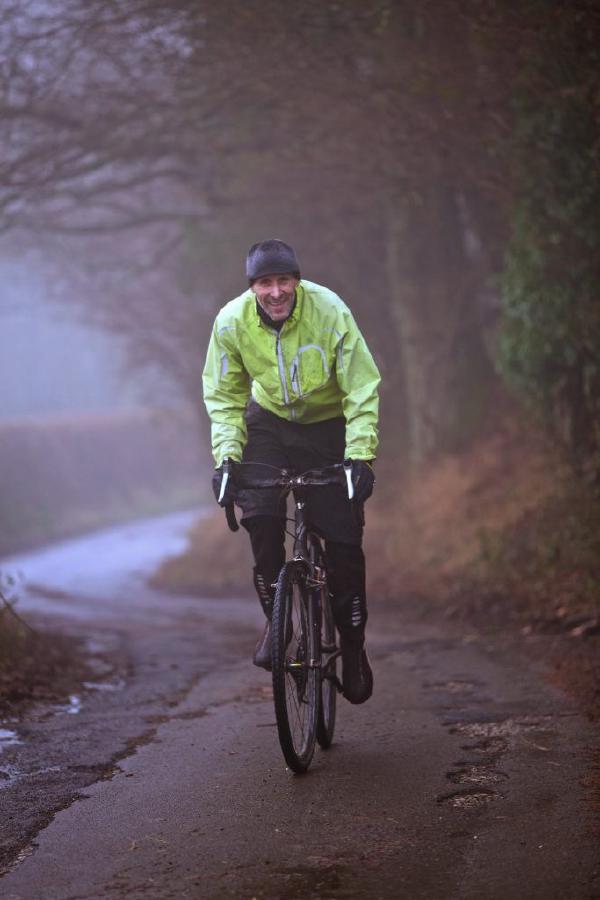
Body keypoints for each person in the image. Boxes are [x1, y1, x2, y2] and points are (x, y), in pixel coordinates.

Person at [202, 239, 380, 704]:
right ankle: (277, 623)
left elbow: (361, 386)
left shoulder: (330, 310)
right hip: (268, 425)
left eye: (284, 281)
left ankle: (354, 646)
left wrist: (360, 456)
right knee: (258, 514)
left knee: (342, 541)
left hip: (326, 426)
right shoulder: (230, 322)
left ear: (297, 281)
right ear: (253, 287)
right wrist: (226, 460)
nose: (276, 292)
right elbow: (223, 399)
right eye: (265, 283)